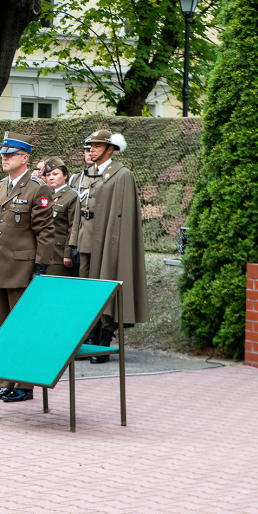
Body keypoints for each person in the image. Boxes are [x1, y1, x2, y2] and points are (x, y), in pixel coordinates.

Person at [0, 132, 55, 402]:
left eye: (10, 154)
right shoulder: (1, 187)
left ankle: (24, 385)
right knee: (3, 328)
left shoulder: (37, 188)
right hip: (1, 268)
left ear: (24, 158)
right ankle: (6, 381)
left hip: (23, 268)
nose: (4, 158)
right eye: (3, 154)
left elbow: (45, 232)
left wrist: (40, 266)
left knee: (23, 328)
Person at [74, 130, 149, 363]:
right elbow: (80, 210)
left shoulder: (121, 174)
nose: (92, 150)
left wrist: (114, 246)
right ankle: (90, 340)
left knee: (105, 290)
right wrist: (73, 242)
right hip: (87, 242)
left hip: (108, 244)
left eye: (97, 146)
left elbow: (123, 216)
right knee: (87, 293)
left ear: (110, 149)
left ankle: (104, 342)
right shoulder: (87, 174)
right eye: (90, 146)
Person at [43, 157, 79, 277]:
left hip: (59, 254)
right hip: (44, 253)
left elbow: (73, 227)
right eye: (48, 175)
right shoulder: (45, 194)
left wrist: (68, 254)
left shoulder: (72, 196)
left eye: (55, 174)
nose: (51, 177)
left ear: (65, 175)